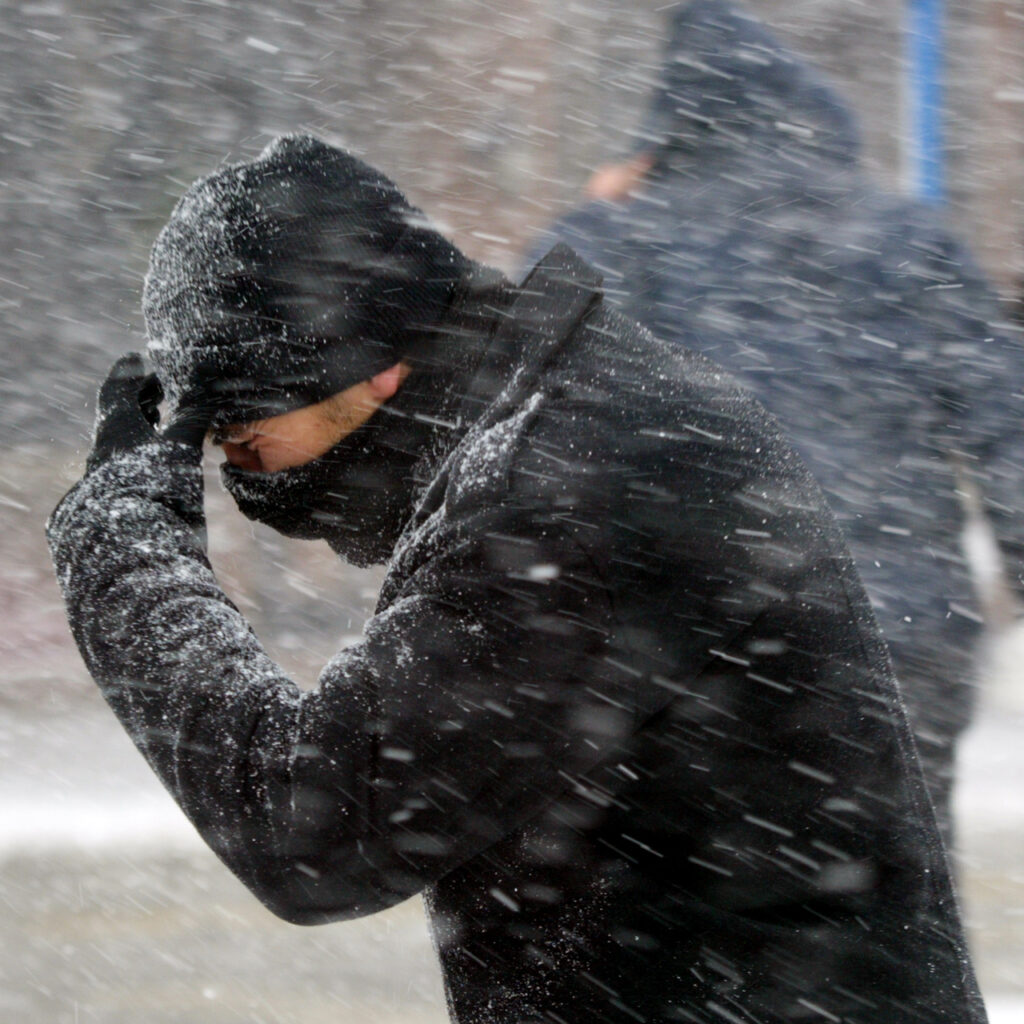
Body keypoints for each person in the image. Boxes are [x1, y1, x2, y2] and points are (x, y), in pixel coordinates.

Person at [47, 134, 987, 1023]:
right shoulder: (570, 421)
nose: (240, 476)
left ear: (368, 367)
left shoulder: (569, 488)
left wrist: (124, 554)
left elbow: (313, 829)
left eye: (245, 436)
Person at [527, 0, 1024, 844]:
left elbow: (515, 424)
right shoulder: (909, 242)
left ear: (666, 128)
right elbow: (1007, 427)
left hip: (685, 660)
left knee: (688, 902)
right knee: (895, 893)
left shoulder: (618, 244)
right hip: (894, 647)